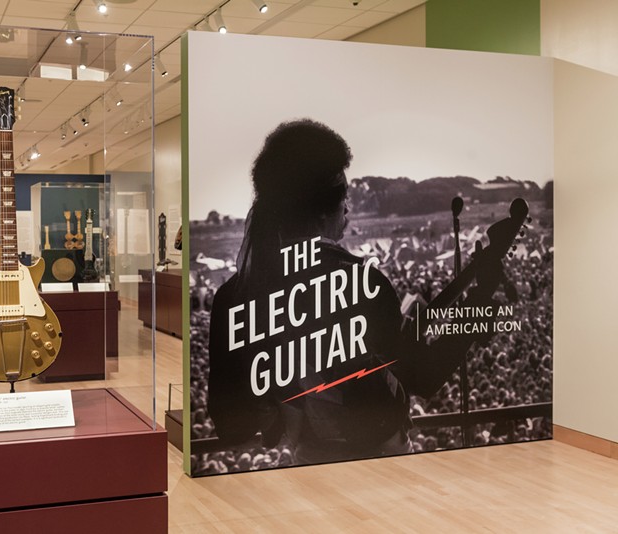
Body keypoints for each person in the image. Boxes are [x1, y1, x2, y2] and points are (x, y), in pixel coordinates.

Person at [206, 119, 488, 464]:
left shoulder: (233, 296)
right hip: (381, 466)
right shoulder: (362, 283)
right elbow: (424, 377)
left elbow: (233, 427)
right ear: (326, 209)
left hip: (307, 468)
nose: (349, 208)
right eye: (345, 196)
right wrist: (480, 304)